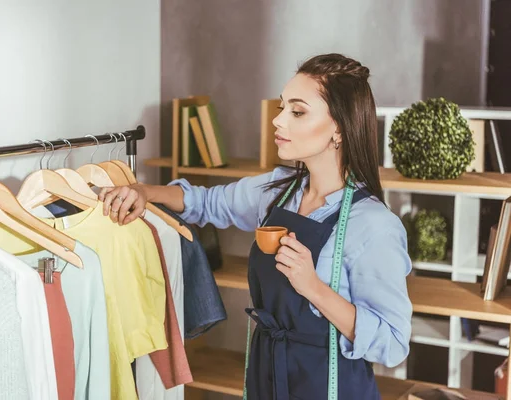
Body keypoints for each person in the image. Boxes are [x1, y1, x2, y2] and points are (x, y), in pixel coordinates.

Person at [99, 53, 412, 399]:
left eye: (297, 111)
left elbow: (393, 344)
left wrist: (313, 287)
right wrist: (143, 191)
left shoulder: (373, 225)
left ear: (338, 126)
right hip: (267, 378)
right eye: (282, 108)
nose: (278, 122)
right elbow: (204, 203)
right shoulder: (279, 192)